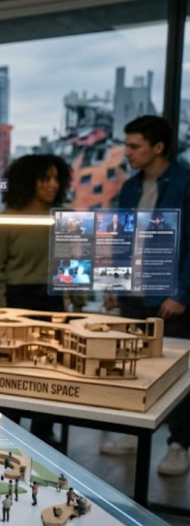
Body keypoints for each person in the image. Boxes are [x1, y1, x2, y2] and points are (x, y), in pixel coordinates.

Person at [100, 116, 190, 476]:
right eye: (127, 145)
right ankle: (133, 433)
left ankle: (178, 445)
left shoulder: (185, 183)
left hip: (170, 298)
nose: (128, 153)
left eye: (135, 146)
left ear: (158, 147)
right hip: (133, 295)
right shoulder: (130, 187)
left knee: (178, 375)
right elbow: (122, 240)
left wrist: (182, 293)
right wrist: (113, 284)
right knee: (131, 367)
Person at [0, 154, 71, 447]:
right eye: (45, 178)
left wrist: (75, 302)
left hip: (52, 298)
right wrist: (1, 309)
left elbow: (74, 263)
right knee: (15, 367)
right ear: (28, 181)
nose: (52, 184)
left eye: (56, 178)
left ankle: (44, 430)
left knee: (51, 368)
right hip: (17, 299)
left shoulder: (63, 218)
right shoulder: (8, 218)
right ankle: (9, 429)